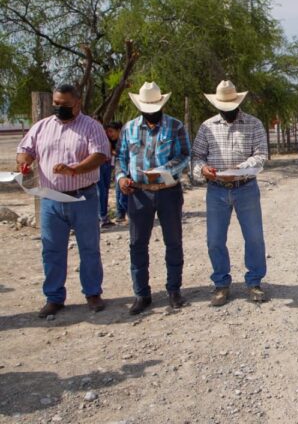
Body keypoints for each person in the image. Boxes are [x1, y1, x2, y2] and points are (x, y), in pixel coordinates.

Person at [16, 83, 111, 317]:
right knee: (51, 249)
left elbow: (100, 155)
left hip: (82, 197)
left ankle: (92, 293)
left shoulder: (91, 127)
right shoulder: (41, 127)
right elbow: (24, 149)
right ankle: (54, 297)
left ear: (77, 103)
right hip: (50, 199)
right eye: (56, 104)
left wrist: (75, 169)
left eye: (65, 105)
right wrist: (24, 161)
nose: (59, 108)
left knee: (89, 247)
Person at [115, 82, 191, 315]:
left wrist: (164, 169)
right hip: (138, 192)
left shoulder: (175, 126)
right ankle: (142, 293)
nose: (151, 112)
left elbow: (185, 155)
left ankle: (174, 289)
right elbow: (120, 157)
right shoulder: (129, 128)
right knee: (138, 243)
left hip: (168, 190)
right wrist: (121, 178)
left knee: (173, 241)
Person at [192, 80, 269, 306]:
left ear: (238, 103)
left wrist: (240, 168)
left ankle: (254, 282)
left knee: (254, 238)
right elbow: (197, 157)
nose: (226, 111)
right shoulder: (207, 127)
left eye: (230, 106)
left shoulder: (253, 124)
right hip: (216, 189)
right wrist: (203, 169)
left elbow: (261, 155)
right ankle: (221, 284)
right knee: (215, 240)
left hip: (245, 186)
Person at [97, 121, 125, 227]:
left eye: (111, 131)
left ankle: (115, 215)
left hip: (110, 166)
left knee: (107, 191)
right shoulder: (106, 140)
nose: (109, 134)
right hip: (104, 166)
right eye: (108, 131)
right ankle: (103, 217)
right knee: (102, 192)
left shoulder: (121, 140)